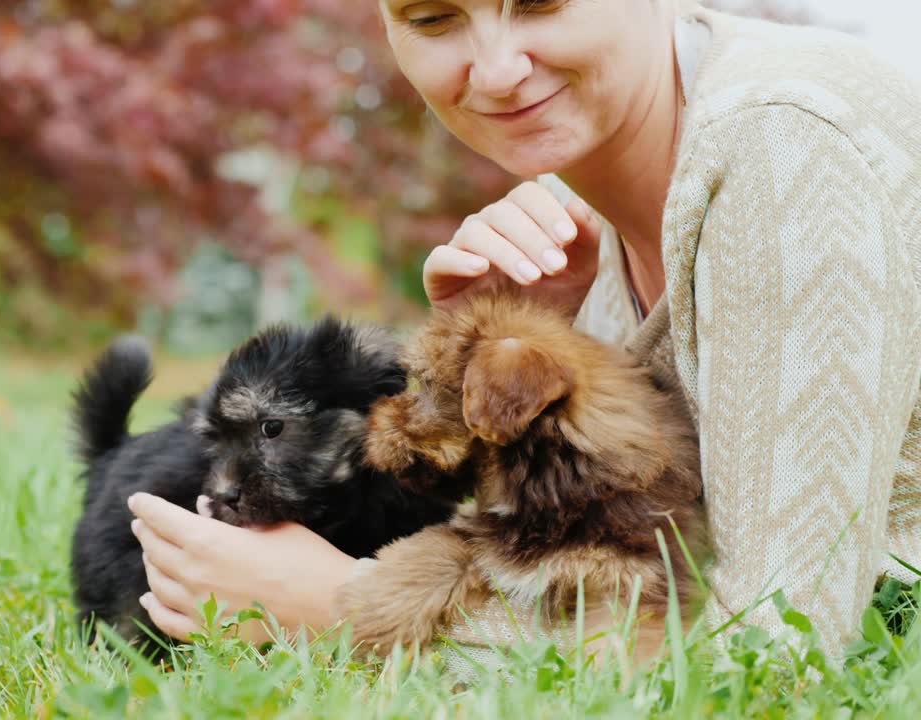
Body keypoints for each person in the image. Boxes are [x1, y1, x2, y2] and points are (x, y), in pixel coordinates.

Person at [127, 0, 921, 666]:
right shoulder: (588, 206)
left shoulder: (785, 150)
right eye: (435, 16)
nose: (498, 69)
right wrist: (547, 345)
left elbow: (779, 650)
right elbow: (620, 543)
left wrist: (342, 612)